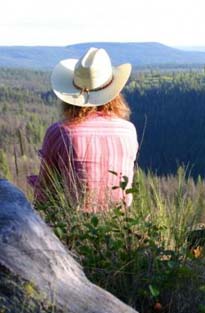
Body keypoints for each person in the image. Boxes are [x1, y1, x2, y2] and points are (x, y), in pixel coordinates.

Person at [29, 47, 138, 212]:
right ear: (114, 93)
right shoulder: (129, 130)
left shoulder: (60, 132)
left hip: (75, 224)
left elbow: (44, 192)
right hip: (121, 222)